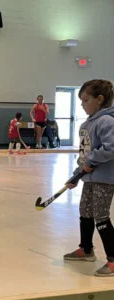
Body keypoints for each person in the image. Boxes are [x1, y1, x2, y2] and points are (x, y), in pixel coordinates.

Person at [64, 79, 114, 277]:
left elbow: (110, 148)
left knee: (101, 216)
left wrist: (91, 162)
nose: (82, 104)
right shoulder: (87, 124)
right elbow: (84, 154)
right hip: (89, 177)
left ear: (99, 99)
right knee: (85, 211)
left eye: (86, 100)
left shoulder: (107, 121)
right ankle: (86, 249)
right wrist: (77, 175)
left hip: (104, 178)